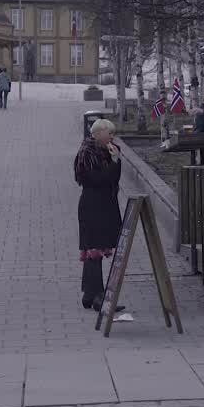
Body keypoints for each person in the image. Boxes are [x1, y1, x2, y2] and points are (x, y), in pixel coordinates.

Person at [73, 118, 127, 314]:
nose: (112, 136)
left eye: (113, 133)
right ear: (96, 134)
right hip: (92, 206)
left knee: (93, 249)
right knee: (93, 250)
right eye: (109, 133)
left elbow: (114, 178)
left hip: (105, 205)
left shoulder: (110, 150)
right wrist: (113, 162)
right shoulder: (87, 154)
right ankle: (98, 296)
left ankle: (89, 294)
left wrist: (116, 160)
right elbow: (97, 180)